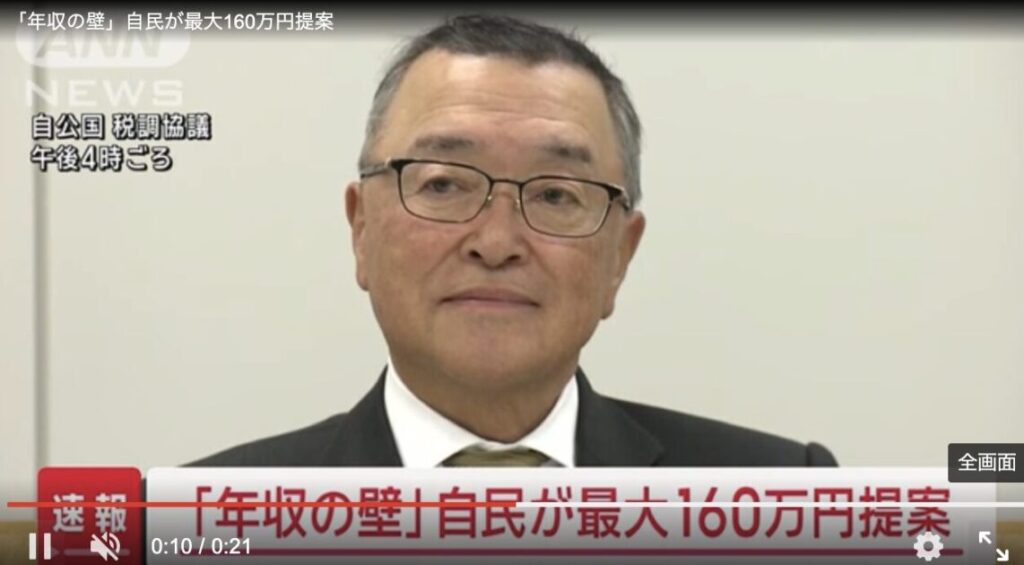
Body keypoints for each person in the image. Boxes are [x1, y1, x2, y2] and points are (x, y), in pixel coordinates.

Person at [193, 14, 836, 468]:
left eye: (556, 194)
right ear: (361, 229)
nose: (497, 242)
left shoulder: (781, 497)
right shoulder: (204, 514)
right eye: (445, 184)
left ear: (620, 257)